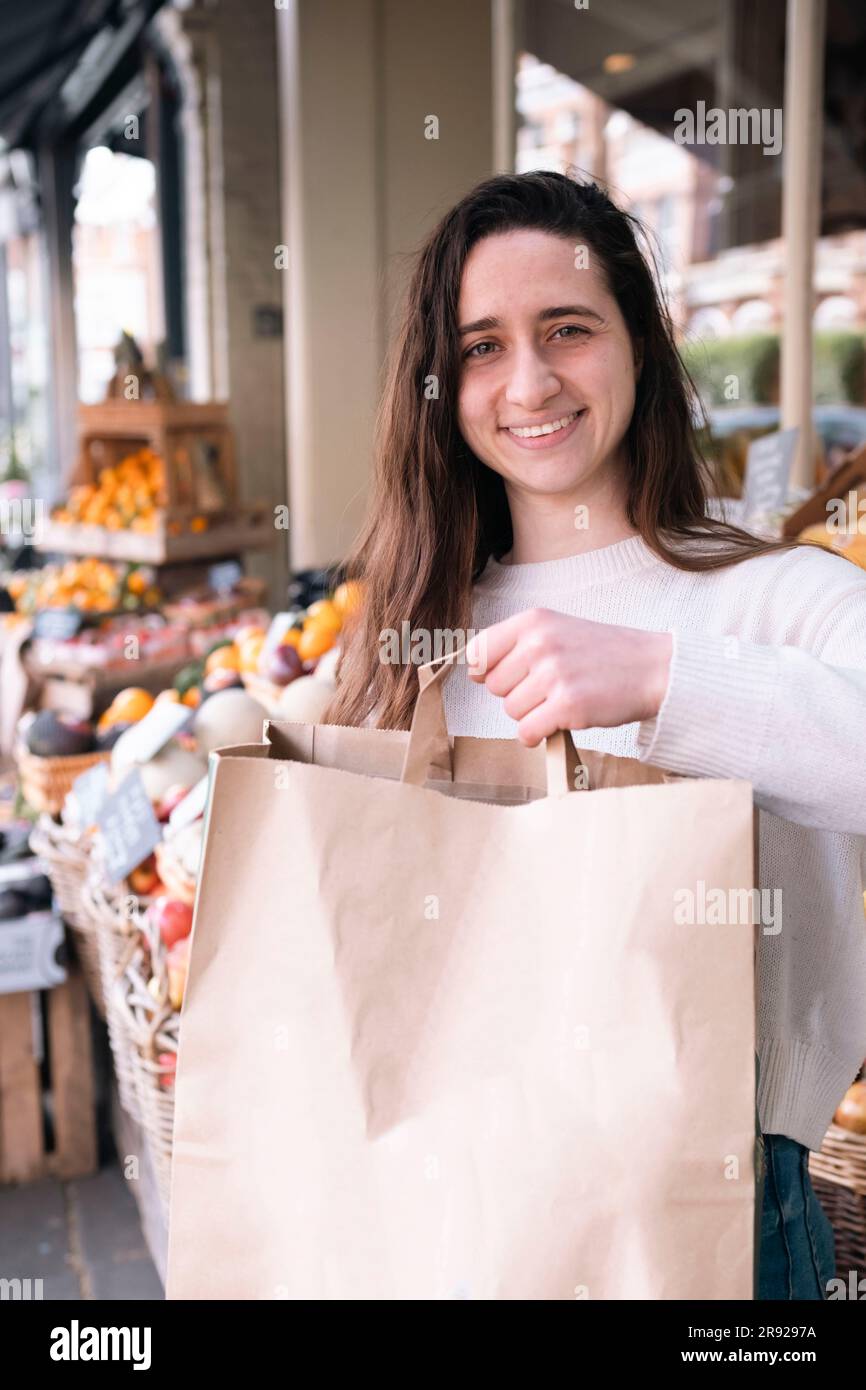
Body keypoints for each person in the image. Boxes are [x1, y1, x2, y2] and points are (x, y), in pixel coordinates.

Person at [324, 170, 866, 1300]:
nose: (527, 381)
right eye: (480, 345)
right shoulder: (409, 638)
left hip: (707, 1214)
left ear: (637, 344)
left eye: (565, 329)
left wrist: (662, 677)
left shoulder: (777, 596)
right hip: (449, 1205)